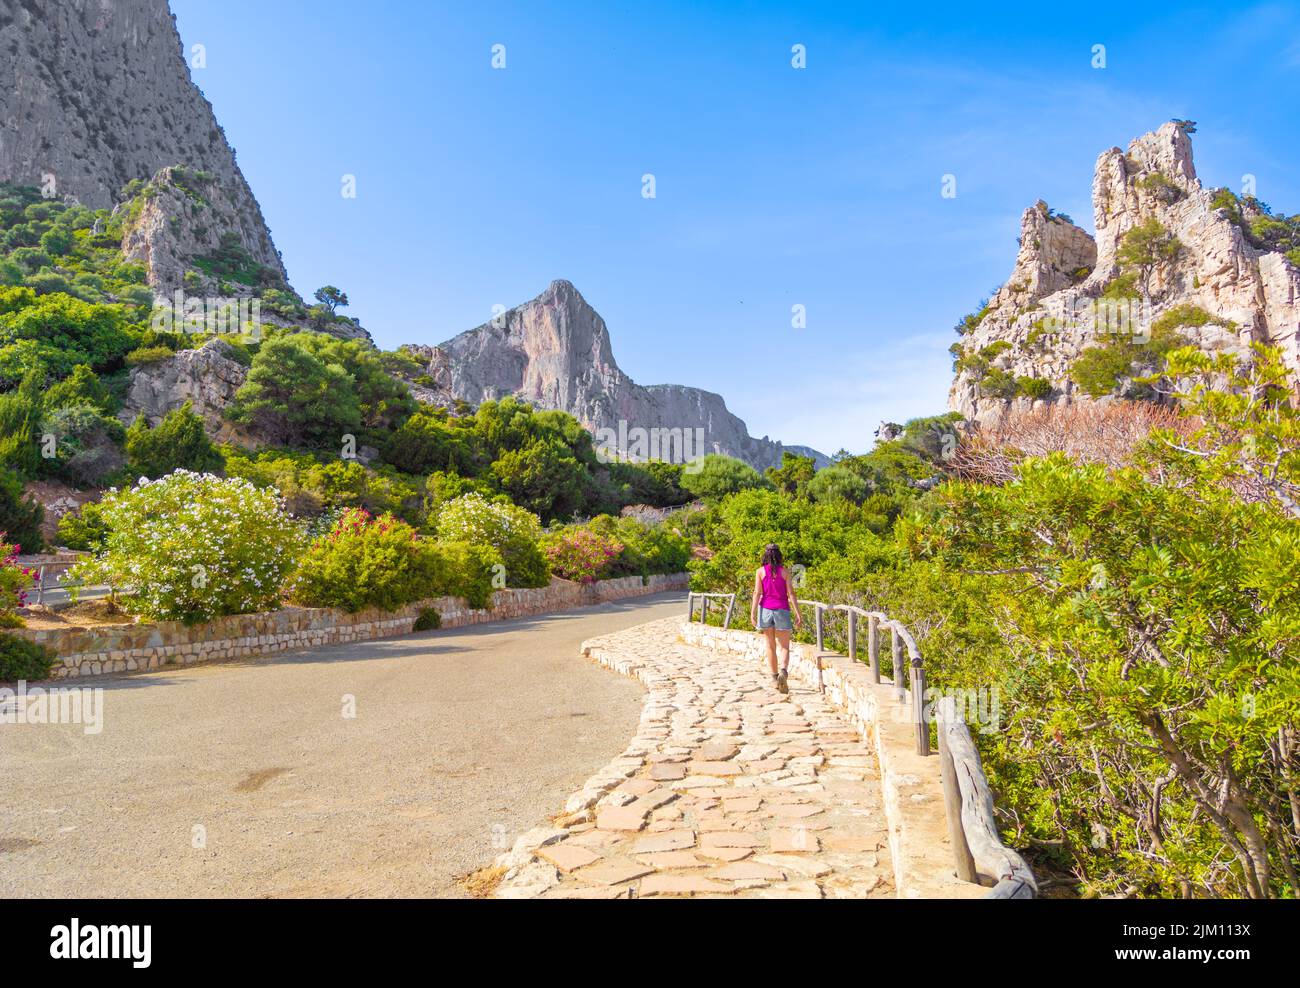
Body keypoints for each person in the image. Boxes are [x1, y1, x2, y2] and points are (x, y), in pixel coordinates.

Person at [749, 542, 802, 693]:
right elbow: (791, 594)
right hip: (782, 610)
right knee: (784, 646)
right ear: (779, 556)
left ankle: (774, 678)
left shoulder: (760, 572)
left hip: (765, 609)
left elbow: (757, 593)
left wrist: (752, 612)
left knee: (770, 645)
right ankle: (784, 672)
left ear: (765, 555)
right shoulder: (785, 572)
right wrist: (798, 613)